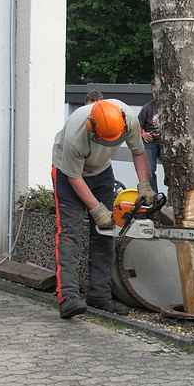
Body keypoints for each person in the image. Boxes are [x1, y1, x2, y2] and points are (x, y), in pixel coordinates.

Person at [51, 96, 155, 319]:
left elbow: (138, 152)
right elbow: (75, 177)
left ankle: (99, 295)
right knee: (70, 234)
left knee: (106, 233)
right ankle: (67, 297)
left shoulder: (128, 119)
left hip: (101, 172)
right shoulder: (76, 134)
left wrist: (144, 184)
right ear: (92, 127)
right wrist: (97, 210)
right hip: (68, 174)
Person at [138, 99, 161, 192]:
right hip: (150, 142)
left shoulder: (170, 105)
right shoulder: (147, 107)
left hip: (166, 142)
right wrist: (143, 134)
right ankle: (155, 196)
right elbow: (137, 125)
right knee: (150, 170)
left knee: (173, 169)